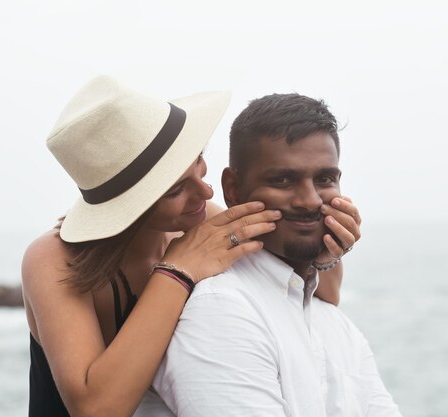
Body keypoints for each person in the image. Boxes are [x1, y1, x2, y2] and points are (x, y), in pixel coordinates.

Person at [21, 76, 361, 417]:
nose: (206, 194)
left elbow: (318, 294)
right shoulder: (54, 259)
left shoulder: (204, 223)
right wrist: (177, 272)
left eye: (199, 165)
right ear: (126, 204)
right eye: (175, 190)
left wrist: (326, 251)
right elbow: (96, 409)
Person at [141, 93, 402, 417]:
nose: (309, 200)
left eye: (324, 179)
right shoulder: (221, 309)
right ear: (233, 189)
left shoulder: (334, 324)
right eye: (283, 180)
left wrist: (327, 259)